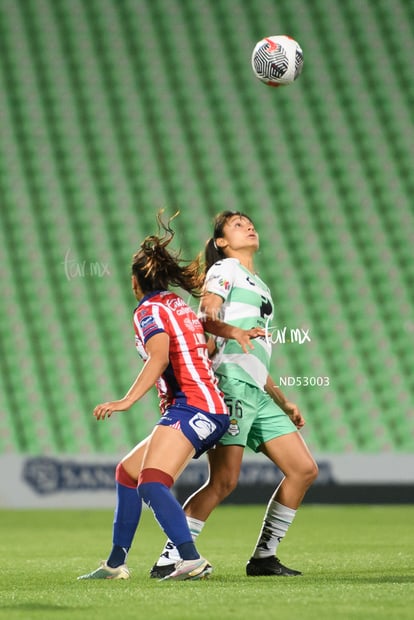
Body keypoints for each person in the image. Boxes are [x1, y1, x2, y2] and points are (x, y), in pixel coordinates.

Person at [151, 211, 319, 578]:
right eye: (238, 224)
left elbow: (252, 351)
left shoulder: (257, 282)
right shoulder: (224, 270)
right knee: (225, 481)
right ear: (222, 242)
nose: (249, 225)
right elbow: (205, 319)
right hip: (230, 385)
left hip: (256, 390)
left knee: (303, 469)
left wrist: (283, 399)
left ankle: (263, 557)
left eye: (249, 221)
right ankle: (171, 556)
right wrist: (234, 333)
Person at [77, 212, 237, 582]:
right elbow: (206, 347)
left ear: (135, 283)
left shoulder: (148, 311)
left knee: (151, 482)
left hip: (194, 407)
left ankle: (191, 559)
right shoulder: (177, 305)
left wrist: (126, 400)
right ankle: (115, 564)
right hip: (205, 406)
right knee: (128, 473)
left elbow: (160, 355)